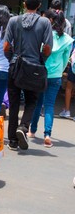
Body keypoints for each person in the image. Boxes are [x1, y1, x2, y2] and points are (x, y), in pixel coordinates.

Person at [4, 0, 53, 152]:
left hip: (15, 65)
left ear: (24, 4)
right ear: (39, 5)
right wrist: (40, 59)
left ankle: (12, 141)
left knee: (14, 102)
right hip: (34, 67)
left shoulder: (13, 21)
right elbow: (47, 48)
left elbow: (6, 46)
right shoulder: (45, 23)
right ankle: (23, 127)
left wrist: (12, 58)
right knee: (32, 100)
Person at [29, 9, 73, 146]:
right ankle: (47, 135)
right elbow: (66, 59)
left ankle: (32, 130)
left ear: (51, 21)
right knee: (49, 105)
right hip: (56, 76)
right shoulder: (67, 39)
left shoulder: (44, 36)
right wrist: (60, 70)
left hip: (41, 73)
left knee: (37, 103)